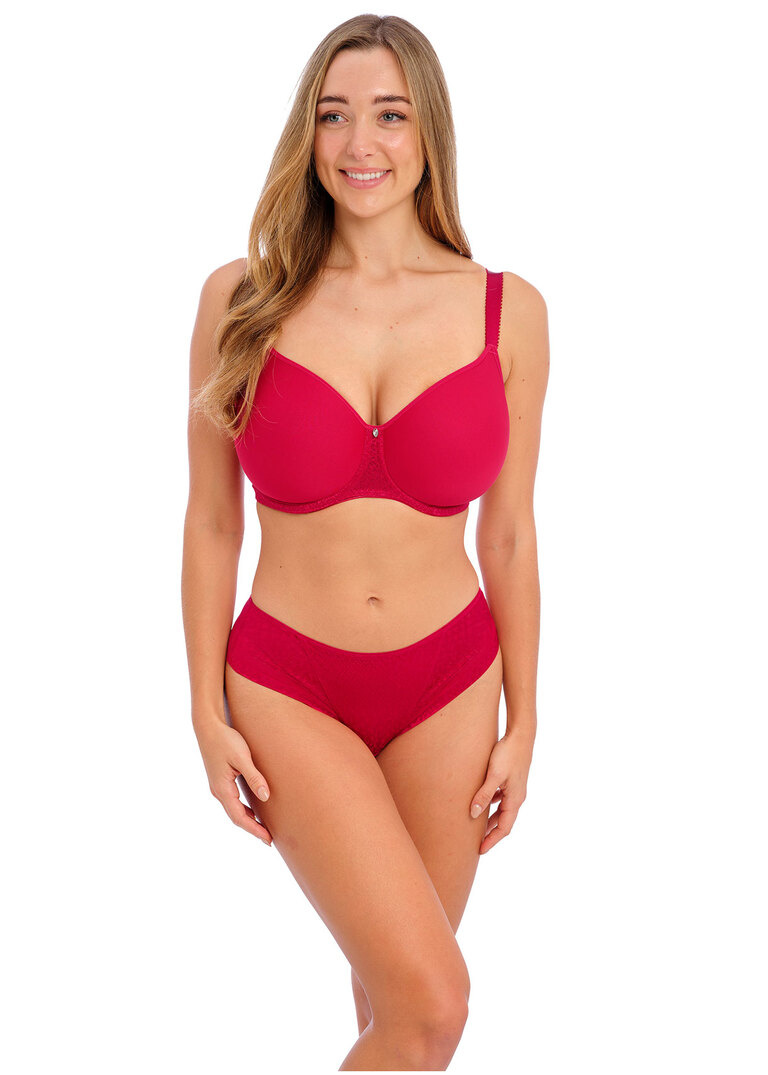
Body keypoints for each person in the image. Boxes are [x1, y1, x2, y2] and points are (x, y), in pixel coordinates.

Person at [181, 12, 549, 1071]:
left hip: (450, 684)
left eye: (389, 115)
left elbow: (510, 535)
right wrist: (205, 710)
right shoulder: (241, 300)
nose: (360, 144)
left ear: (429, 131)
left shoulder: (508, 312)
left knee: (398, 1020)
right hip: (290, 683)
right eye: (333, 116)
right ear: (307, 134)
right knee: (434, 1005)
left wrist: (526, 720)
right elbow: (212, 521)